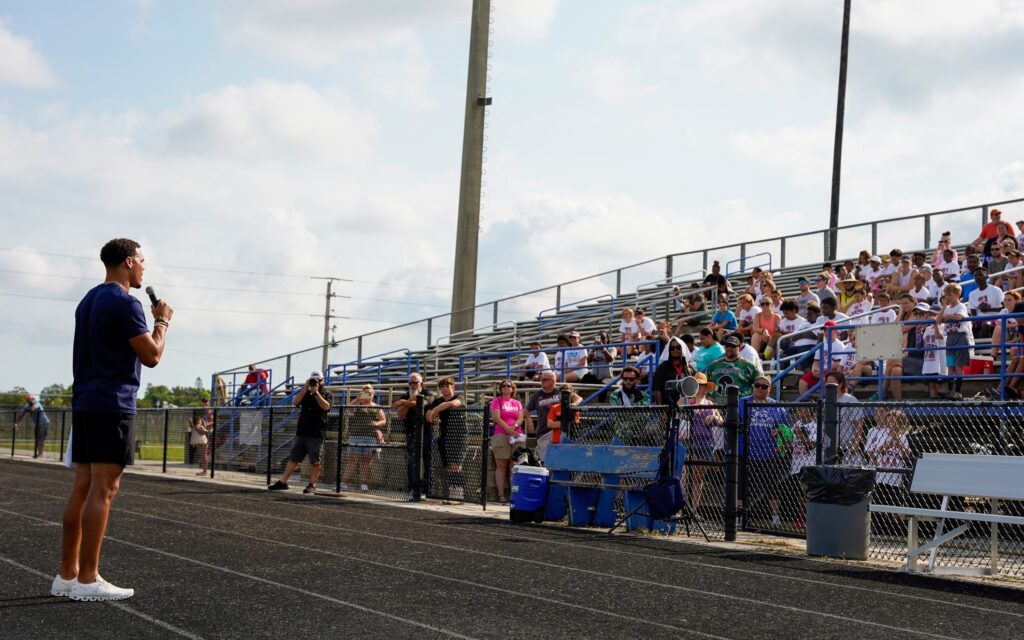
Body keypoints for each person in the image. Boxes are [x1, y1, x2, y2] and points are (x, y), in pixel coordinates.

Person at [55, 238, 173, 602]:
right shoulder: (126, 302)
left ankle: (67, 574)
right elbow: (152, 356)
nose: (143, 267)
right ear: (126, 262)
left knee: (83, 485)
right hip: (113, 403)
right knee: (104, 490)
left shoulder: (87, 299)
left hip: (87, 401)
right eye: (141, 261)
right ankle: (88, 579)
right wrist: (162, 322)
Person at [269, 370, 333, 493]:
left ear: (322, 381)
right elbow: (296, 402)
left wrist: (316, 393)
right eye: (312, 380)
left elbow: (326, 407)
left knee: (315, 461)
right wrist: (305, 389)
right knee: (294, 458)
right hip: (302, 432)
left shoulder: (326, 393)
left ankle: (312, 485)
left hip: (316, 433)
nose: (315, 383)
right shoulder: (305, 393)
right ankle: (283, 482)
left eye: (317, 380)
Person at [740, 376, 791, 528]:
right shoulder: (743, 402)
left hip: (769, 453)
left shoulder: (776, 406)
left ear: (770, 389)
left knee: (772, 487)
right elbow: (734, 421)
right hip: (746, 451)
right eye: (758, 385)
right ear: (753, 387)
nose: (760, 389)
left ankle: (775, 519)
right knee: (742, 486)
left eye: (765, 386)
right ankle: (739, 517)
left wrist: (780, 431)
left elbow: (788, 429)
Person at [679, 372, 721, 511]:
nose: (699, 387)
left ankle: (693, 509)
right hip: (687, 441)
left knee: (698, 477)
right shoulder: (684, 400)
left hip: (705, 442)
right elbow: (675, 415)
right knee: (684, 475)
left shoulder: (709, 403)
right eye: (697, 385)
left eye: (702, 385)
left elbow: (721, 422)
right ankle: (682, 506)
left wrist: (714, 417)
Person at [391, 373, 433, 500]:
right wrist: (408, 401)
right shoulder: (406, 394)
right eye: (411, 383)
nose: (413, 385)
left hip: (426, 432)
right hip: (411, 432)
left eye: (416, 382)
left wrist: (404, 402)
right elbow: (400, 414)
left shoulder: (428, 393)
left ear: (422, 383)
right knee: (411, 462)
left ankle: (427, 490)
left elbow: (421, 403)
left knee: (427, 461)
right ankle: (412, 488)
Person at [340, 384, 387, 493]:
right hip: (355, 436)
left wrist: (377, 423)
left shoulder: (376, 406)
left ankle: (363, 485)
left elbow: (384, 420)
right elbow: (348, 409)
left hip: (370, 437)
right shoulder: (357, 405)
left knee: (366, 462)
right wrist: (358, 398)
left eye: (369, 393)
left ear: (373, 394)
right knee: (352, 461)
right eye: (365, 392)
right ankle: (343, 483)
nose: (368, 395)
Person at [426, 377, 466, 502]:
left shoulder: (459, 397)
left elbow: (453, 404)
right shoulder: (438, 400)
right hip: (444, 436)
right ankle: (450, 493)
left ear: (452, 387)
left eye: (447, 386)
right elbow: (428, 416)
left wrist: (437, 409)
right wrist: (432, 412)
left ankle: (458, 494)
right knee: (447, 466)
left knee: (456, 465)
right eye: (442, 387)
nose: (445, 389)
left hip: (459, 436)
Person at [489, 380, 525, 504]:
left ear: (512, 389)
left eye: (508, 386)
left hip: (516, 435)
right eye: (503, 386)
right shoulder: (496, 401)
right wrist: (508, 429)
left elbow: (521, 417)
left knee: (515, 466)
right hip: (501, 434)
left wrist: (514, 427)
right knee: (501, 466)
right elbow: (496, 418)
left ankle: (514, 494)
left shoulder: (517, 403)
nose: (505, 388)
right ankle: (501, 495)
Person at [937, 283, 973, 400]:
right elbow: (938, 320)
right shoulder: (947, 308)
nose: (947, 297)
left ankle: (957, 391)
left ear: (957, 295)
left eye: (950, 294)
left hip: (960, 337)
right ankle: (950, 390)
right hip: (950, 338)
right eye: (946, 294)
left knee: (958, 365)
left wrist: (949, 316)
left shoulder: (961, 306)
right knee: (950, 365)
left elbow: (960, 317)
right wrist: (943, 307)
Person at [706, 335, 761, 400]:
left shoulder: (749, 366)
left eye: (733, 346)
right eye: (727, 346)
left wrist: (750, 399)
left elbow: (760, 383)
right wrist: (708, 397)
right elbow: (704, 384)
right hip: (718, 406)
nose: (729, 348)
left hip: (741, 406)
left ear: (739, 347)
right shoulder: (713, 366)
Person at [525, 371, 560, 462]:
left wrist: (573, 404)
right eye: (541, 379)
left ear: (553, 381)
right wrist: (529, 420)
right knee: (545, 462)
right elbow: (526, 410)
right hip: (543, 432)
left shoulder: (560, 392)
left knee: (557, 461)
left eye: (545, 379)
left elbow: (578, 398)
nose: (542, 381)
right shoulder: (537, 394)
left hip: (558, 430)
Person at [652, 336, 693, 405]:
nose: (675, 350)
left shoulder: (688, 367)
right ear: (669, 351)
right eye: (672, 348)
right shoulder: (663, 367)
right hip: (668, 406)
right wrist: (661, 410)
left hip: (686, 407)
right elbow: (656, 389)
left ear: (682, 349)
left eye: (678, 348)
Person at [187, 398, 212, 475]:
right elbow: (192, 427)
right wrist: (196, 428)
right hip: (197, 440)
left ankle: (205, 471)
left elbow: (205, 430)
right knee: (202, 456)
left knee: (204, 456)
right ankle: (203, 471)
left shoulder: (201, 421)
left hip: (202, 440)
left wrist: (201, 429)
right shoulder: (192, 421)